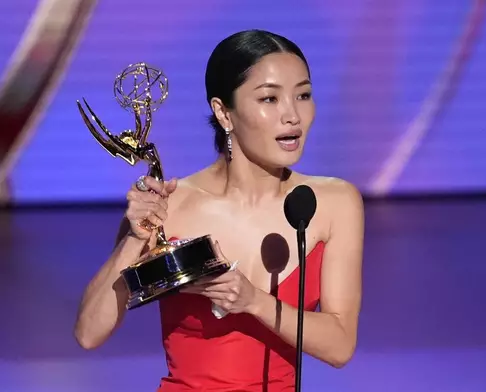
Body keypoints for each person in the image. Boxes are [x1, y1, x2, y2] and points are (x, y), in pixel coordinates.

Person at [73, 29, 364, 391]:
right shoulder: (172, 204)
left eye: (303, 95)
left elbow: (340, 345)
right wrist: (135, 239)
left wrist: (254, 301)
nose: (293, 116)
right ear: (223, 112)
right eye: (270, 99)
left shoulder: (333, 203)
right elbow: (88, 333)